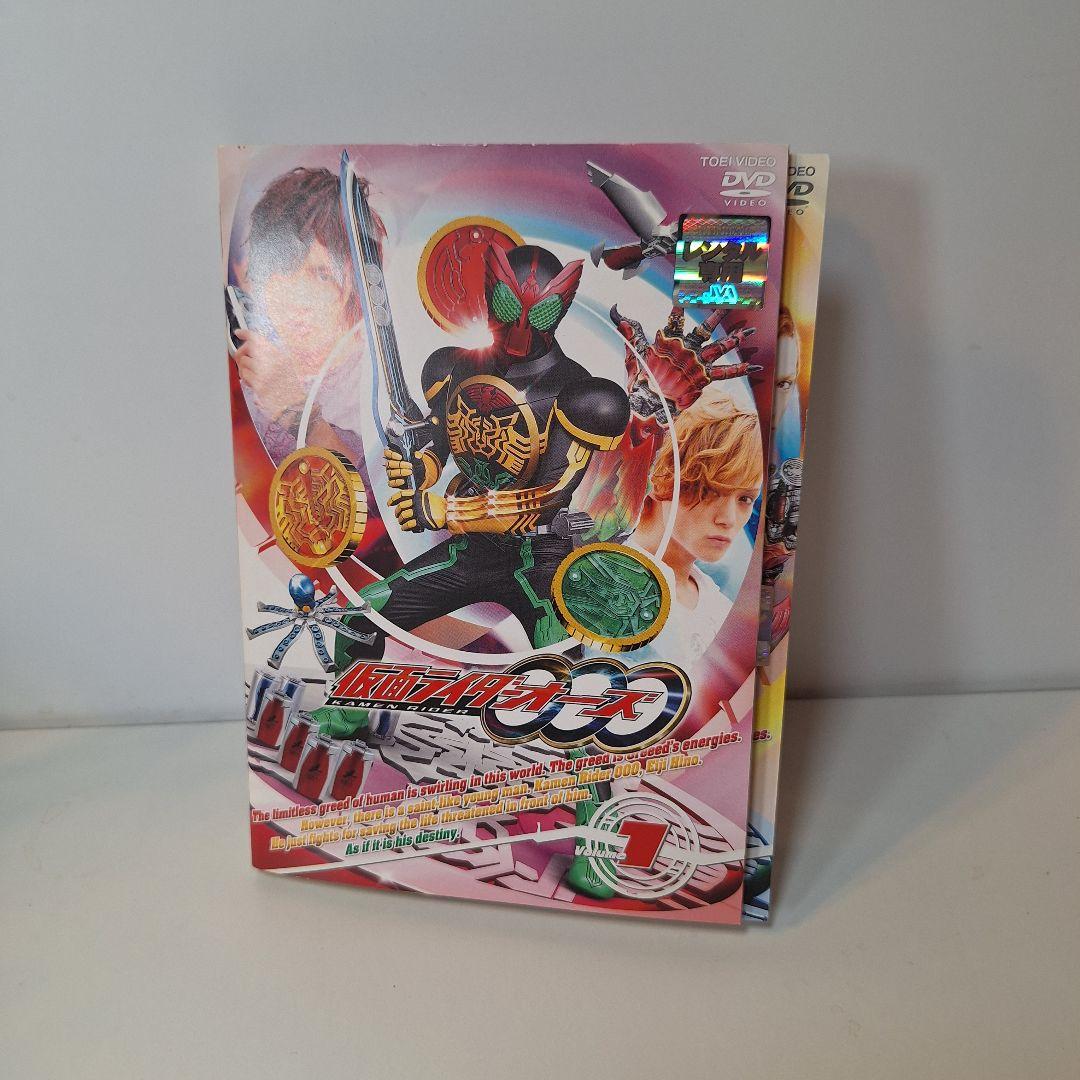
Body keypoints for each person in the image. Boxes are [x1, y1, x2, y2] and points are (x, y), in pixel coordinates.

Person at [231, 165, 385, 463]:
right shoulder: (246, 369)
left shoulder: (376, 387)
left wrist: (299, 414)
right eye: (284, 269)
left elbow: (373, 491)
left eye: (322, 275)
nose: (299, 300)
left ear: (354, 287)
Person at [629, 387, 763, 664]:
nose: (729, 519)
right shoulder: (604, 578)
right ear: (662, 474)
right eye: (711, 491)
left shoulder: (719, 608)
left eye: (745, 498)